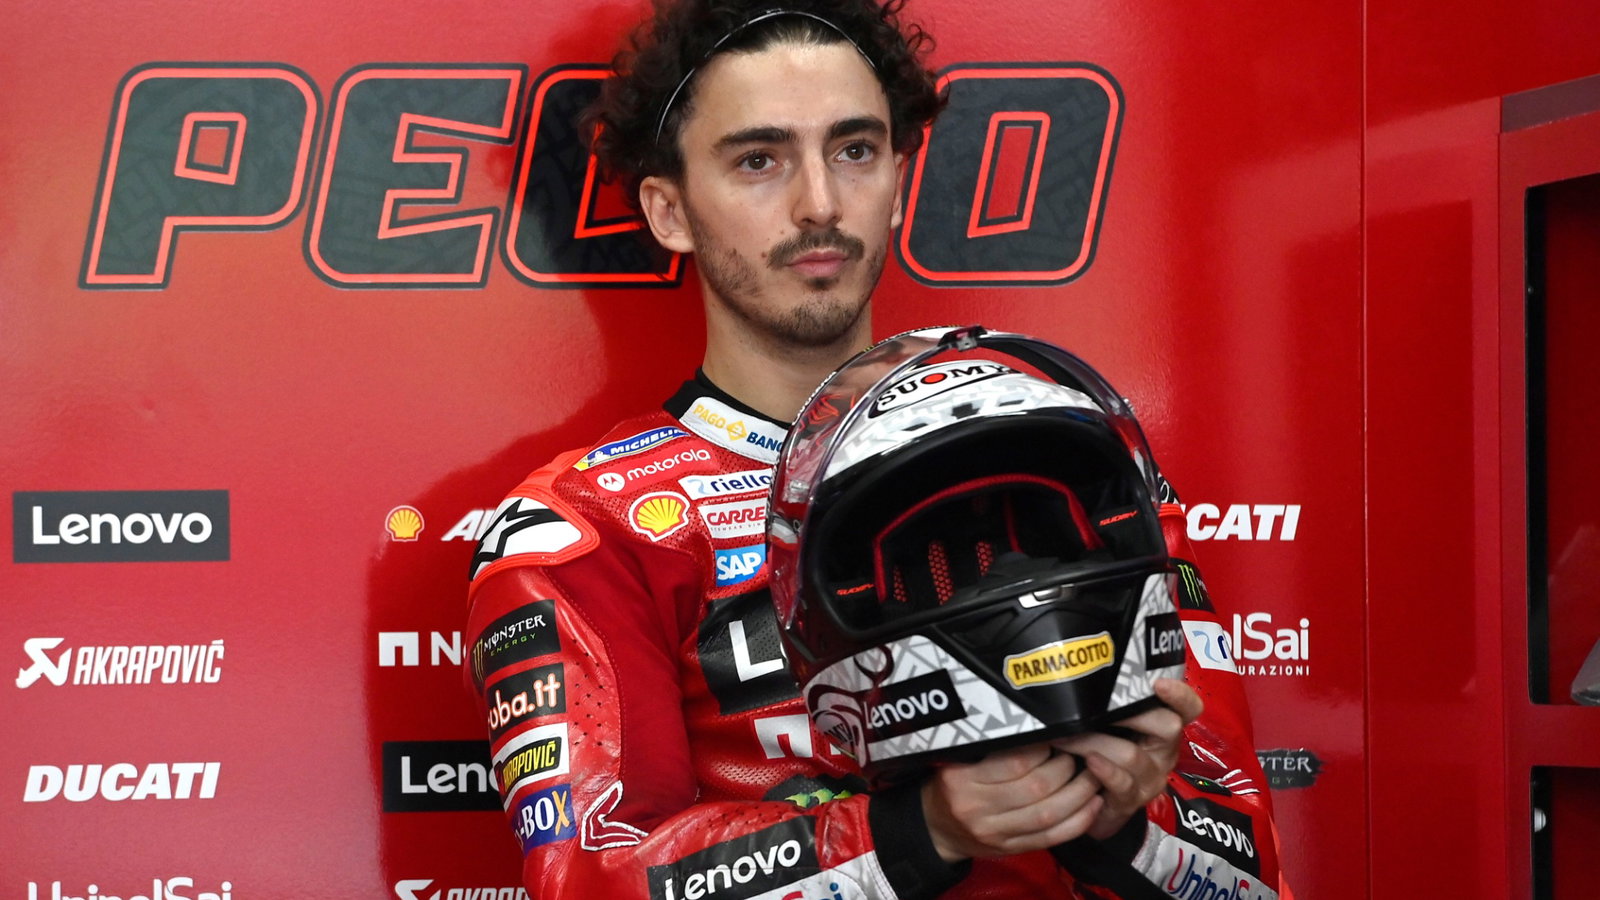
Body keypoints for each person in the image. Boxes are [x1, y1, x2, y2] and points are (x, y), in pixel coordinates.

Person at [464, 1, 1292, 898]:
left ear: (898, 176)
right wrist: (921, 831)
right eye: (758, 160)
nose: (820, 204)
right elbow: (589, 873)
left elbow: (1252, 862)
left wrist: (1125, 820)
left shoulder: (1071, 459)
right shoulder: (584, 527)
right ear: (670, 210)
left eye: (854, 150)